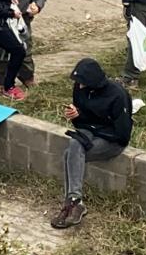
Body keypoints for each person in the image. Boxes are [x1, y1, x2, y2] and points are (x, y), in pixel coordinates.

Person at [51, 58, 132, 230]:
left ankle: (73, 203)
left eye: (82, 83)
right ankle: (75, 201)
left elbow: (122, 135)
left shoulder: (117, 95)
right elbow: (81, 124)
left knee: (71, 155)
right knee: (74, 145)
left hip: (111, 138)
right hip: (89, 132)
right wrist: (76, 115)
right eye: (77, 83)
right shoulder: (80, 88)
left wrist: (93, 134)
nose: (79, 87)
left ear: (93, 82)